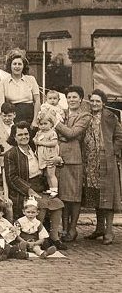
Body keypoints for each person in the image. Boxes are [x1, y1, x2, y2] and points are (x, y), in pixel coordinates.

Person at [4, 121, 66, 251]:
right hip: (23, 190)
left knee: (57, 203)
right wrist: (29, 190)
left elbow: (51, 160)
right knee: (41, 204)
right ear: (14, 137)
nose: (24, 137)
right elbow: (12, 178)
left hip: (42, 185)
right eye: (20, 135)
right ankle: (38, 238)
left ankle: (54, 237)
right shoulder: (11, 154)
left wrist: (58, 161)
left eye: (26, 134)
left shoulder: (35, 147)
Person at [82, 89, 122, 245]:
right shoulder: (86, 116)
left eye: (98, 101)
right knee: (96, 194)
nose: (94, 103)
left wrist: (114, 152)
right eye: (92, 101)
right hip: (90, 161)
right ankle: (99, 228)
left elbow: (119, 136)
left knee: (108, 196)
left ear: (103, 103)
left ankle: (109, 231)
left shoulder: (111, 117)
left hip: (106, 161)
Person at [51, 86, 90, 242]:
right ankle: (64, 228)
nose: (72, 100)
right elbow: (61, 133)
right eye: (69, 97)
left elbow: (72, 133)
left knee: (74, 196)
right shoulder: (62, 112)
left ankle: (73, 229)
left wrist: (57, 125)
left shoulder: (85, 115)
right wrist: (64, 133)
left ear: (80, 99)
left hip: (74, 159)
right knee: (63, 196)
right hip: (59, 157)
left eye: (75, 97)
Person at [2, 49, 40, 126]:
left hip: (29, 117)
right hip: (12, 118)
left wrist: (35, 121)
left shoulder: (31, 79)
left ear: (23, 66)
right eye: (14, 64)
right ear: (10, 65)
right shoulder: (4, 82)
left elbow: (37, 101)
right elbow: (3, 103)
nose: (17, 66)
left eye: (20, 64)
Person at [34, 110, 61, 197]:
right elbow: (34, 140)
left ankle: (55, 190)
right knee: (47, 174)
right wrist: (35, 140)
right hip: (42, 157)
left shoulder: (52, 133)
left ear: (51, 124)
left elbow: (54, 143)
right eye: (41, 124)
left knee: (51, 174)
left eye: (45, 124)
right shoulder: (39, 133)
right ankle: (51, 188)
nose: (43, 126)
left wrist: (41, 143)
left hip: (50, 156)